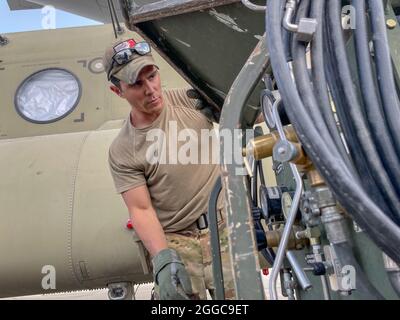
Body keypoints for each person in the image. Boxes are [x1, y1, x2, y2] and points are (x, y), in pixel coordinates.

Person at [103, 37, 234, 300]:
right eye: (137, 84)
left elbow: (246, 109)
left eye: (152, 76)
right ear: (117, 91)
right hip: (177, 242)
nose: (150, 89)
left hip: (225, 229)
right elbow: (141, 210)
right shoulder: (123, 150)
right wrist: (164, 260)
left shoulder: (191, 101)